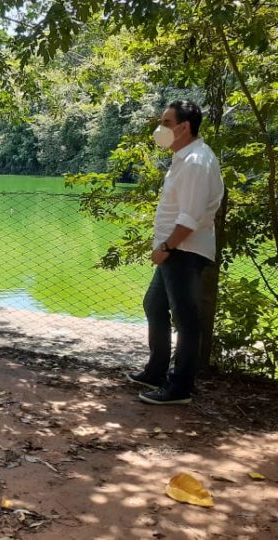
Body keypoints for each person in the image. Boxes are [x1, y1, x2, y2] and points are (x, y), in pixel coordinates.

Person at [127, 100, 224, 405]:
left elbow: (191, 216)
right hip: (175, 250)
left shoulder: (196, 161)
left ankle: (179, 388)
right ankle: (156, 372)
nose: (161, 129)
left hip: (183, 250)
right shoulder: (185, 158)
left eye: (166, 123)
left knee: (185, 320)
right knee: (154, 305)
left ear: (184, 127)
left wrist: (166, 247)